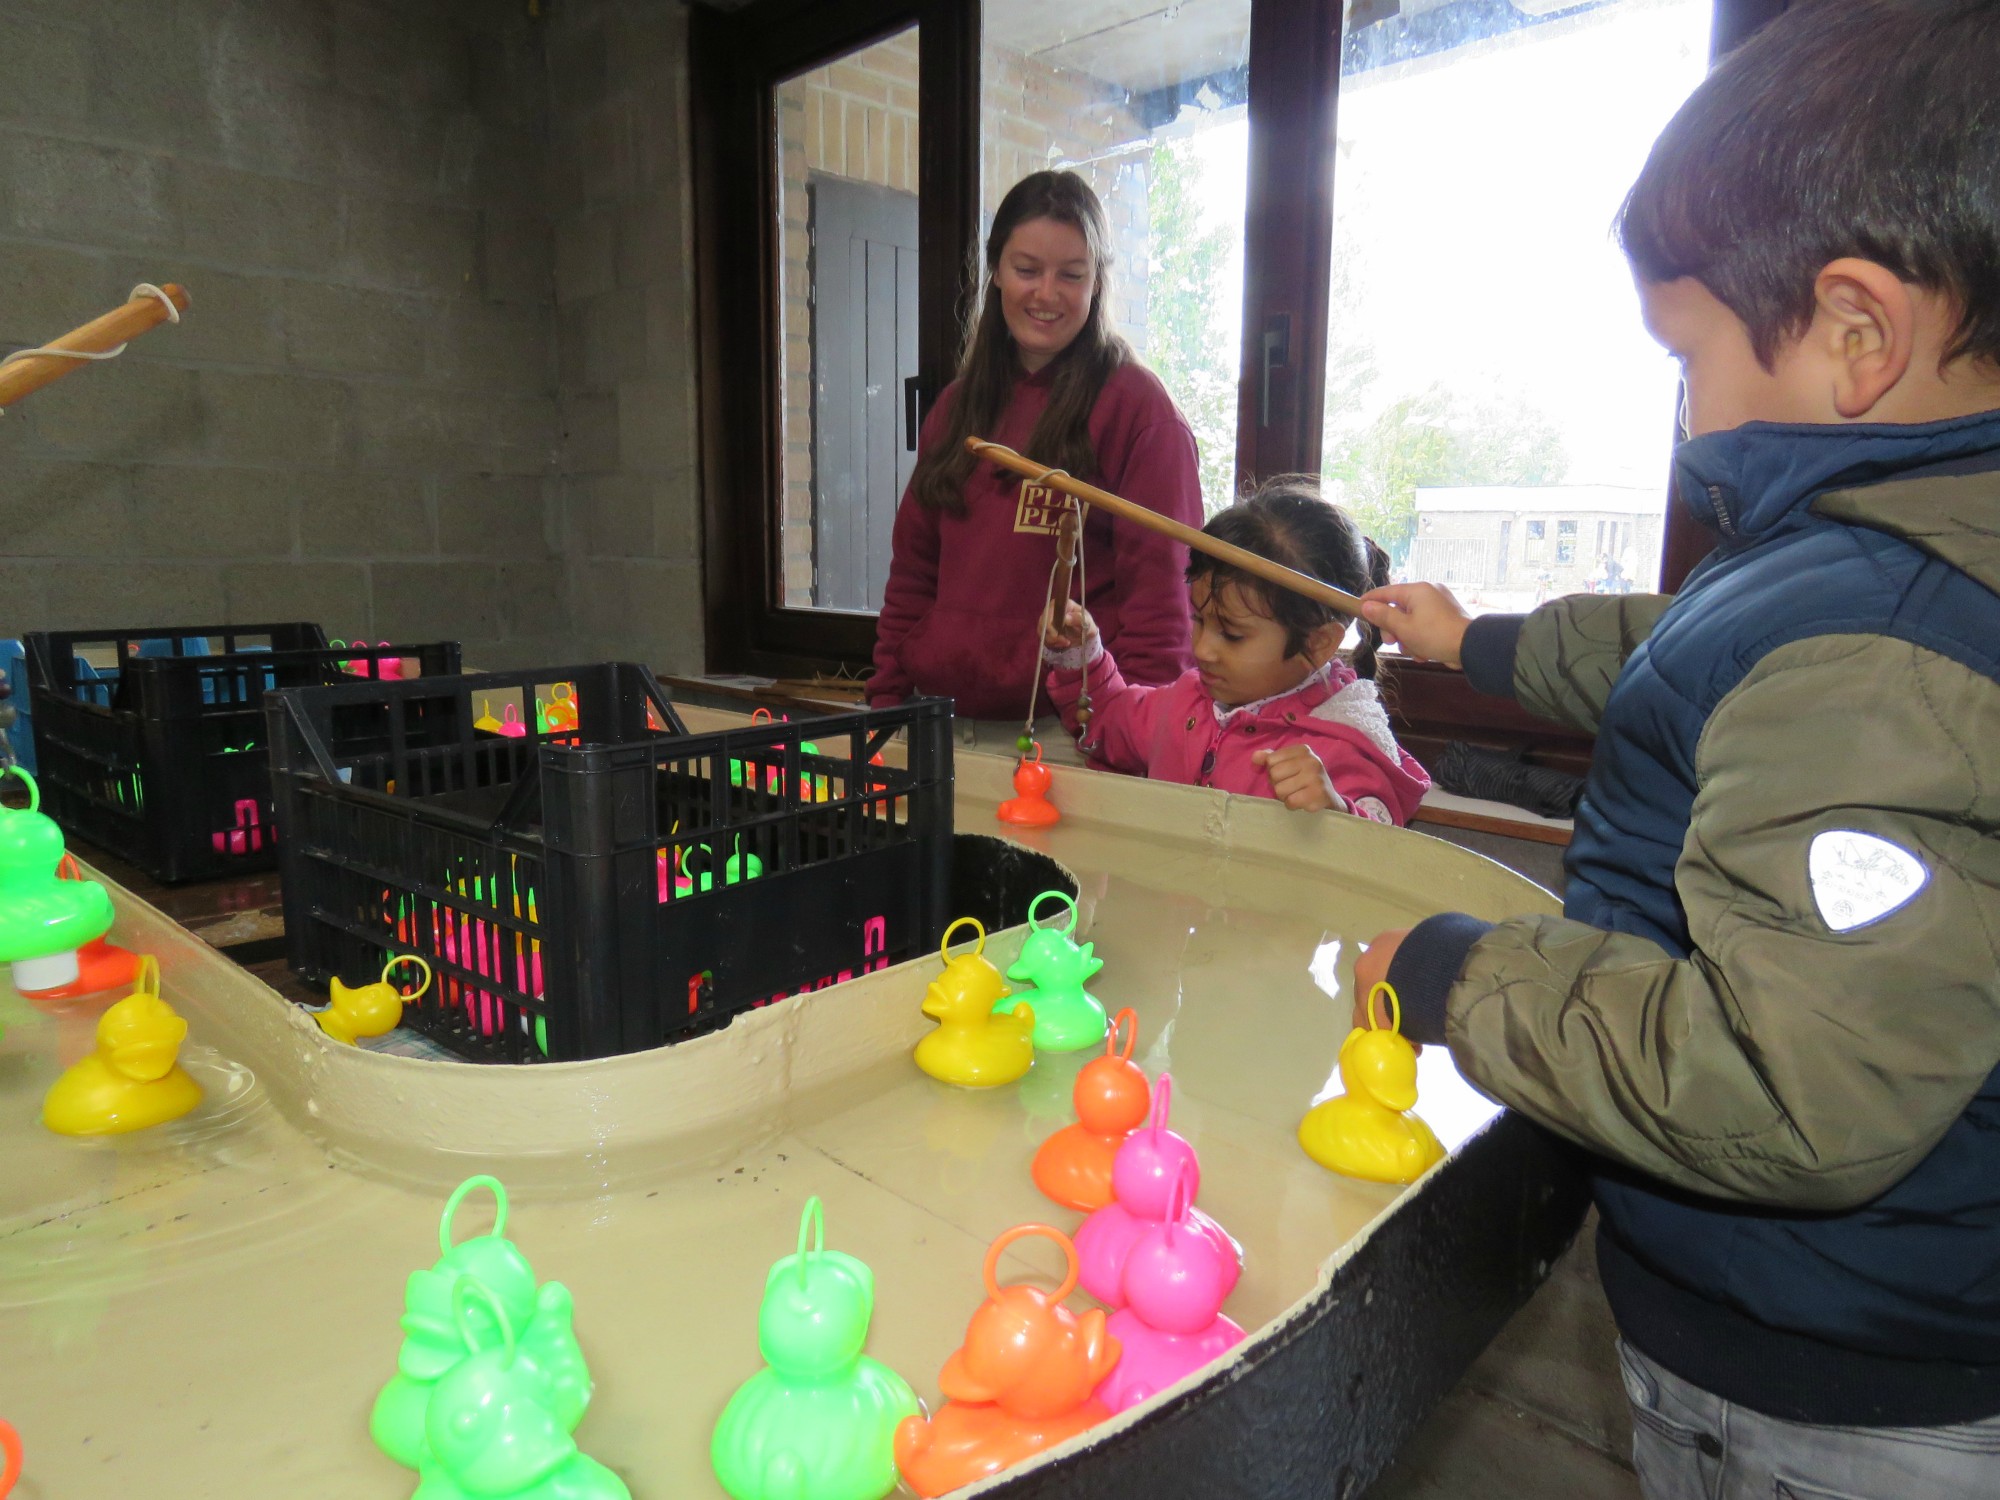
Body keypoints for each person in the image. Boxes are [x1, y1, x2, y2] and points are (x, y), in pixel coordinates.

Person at [1352, 3, 2000, 1495]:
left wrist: (1466, 977)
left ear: (1857, 334)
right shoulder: (1858, 555)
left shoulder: (1881, 649)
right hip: (1803, 1331)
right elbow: (1690, 647)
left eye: (1685, 349)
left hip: (1830, 1391)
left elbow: (1788, 1084)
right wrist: (1482, 646)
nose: (1686, 402)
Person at [869, 171, 1204, 753]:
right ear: (995, 270)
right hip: (936, 726)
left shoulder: (1141, 413)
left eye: (1071, 275)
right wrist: (884, 710)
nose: (1046, 294)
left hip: (1072, 738)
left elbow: (1162, 608)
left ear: (1097, 282)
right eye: (1027, 270)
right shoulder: (954, 409)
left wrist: (1141, 743)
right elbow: (912, 578)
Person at [1040, 479, 1429, 822]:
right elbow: (1105, 720)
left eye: (1232, 634)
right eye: (1199, 619)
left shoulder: (1342, 745)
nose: (1203, 650)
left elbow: (1376, 858)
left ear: (1319, 642)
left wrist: (1336, 812)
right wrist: (1081, 655)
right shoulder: (1185, 703)